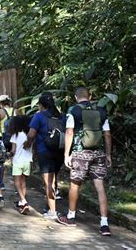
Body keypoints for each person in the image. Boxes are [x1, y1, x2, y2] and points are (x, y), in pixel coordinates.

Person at [57, 87, 113, 236]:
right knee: (100, 186)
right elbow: (107, 135)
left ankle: (71, 217)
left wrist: (66, 154)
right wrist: (108, 154)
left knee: (75, 184)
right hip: (98, 153)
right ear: (90, 95)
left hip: (80, 153)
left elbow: (69, 132)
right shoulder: (101, 111)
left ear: (76, 97)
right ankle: (104, 224)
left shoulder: (73, 110)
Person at [26, 93, 65, 220]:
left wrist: (27, 144)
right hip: (59, 151)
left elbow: (31, 134)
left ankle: (52, 211)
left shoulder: (39, 116)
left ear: (41, 105)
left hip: (45, 151)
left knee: (48, 182)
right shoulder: (62, 117)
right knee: (54, 179)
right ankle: (49, 206)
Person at [9, 115, 32, 214]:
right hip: (27, 161)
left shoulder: (15, 135)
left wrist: (9, 154)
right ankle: (22, 203)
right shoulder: (29, 135)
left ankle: (24, 201)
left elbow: (13, 150)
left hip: (17, 161)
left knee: (16, 182)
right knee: (23, 183)